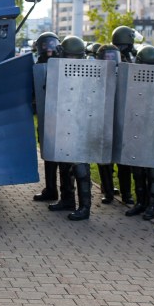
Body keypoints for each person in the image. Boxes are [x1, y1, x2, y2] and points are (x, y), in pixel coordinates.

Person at [46, 36, 94, 220]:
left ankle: (85, 207)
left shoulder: (90, 71)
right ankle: (67, 199)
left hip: (81, 123)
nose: (71, 60)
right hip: (64, 120)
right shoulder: (59, 69)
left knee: (80, 167)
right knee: (64, 164)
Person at [125, 44, 154, 220]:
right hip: (138, 127)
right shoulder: (133, 79)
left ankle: (152, 206)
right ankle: (141, 202)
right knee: (138, 170)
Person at [109, 26, 141, 205]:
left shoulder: (130, 57)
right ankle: (120, 192)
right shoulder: (112, 56)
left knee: (126, 157)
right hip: (119, 110)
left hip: (129, 110)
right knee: (119, 157)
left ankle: (127, 193)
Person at [30, 32, 62, 203]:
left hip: (63, 118)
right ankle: (51, 189)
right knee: (48, 155)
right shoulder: (36, 67)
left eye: (51, 45)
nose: (48, 49)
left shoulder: (65, 65)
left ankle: (65, 195)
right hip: (45, 117)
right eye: (45, 45)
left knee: (65, 159)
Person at [94, 44, 121, 205]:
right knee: (103, 158)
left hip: (119, 118)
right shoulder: (96, 74)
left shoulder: (124, 72)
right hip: (102, 119)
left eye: (113, 57)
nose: (110, 60)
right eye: (107, 56)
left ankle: (126, 193)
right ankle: (108, 190)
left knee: (121, 158)